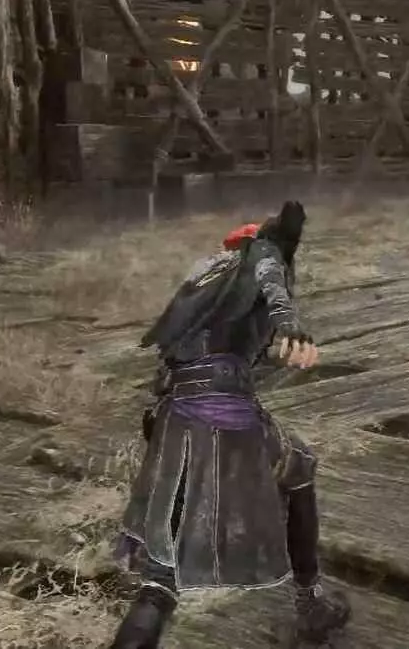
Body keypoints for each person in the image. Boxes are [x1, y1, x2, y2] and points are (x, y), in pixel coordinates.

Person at [109, 201, 352, 649]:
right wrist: (290, 326)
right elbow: (272, 281)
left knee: (161, 578)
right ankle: (310, 602)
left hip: (175, 414)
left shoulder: (206, 277)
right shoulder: (262, 253)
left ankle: (309, 602)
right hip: (221, 413)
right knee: (300, 465)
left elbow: (194, 351)